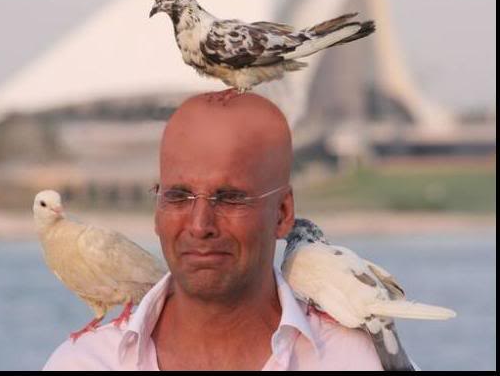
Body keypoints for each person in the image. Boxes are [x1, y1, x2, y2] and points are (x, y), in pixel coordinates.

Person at [43, 91, 383, 370]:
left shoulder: (353, 361)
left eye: (230, 198)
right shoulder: (83, 364)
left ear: (282, 214)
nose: (200, 225)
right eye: (178, 197)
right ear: (157, 212)